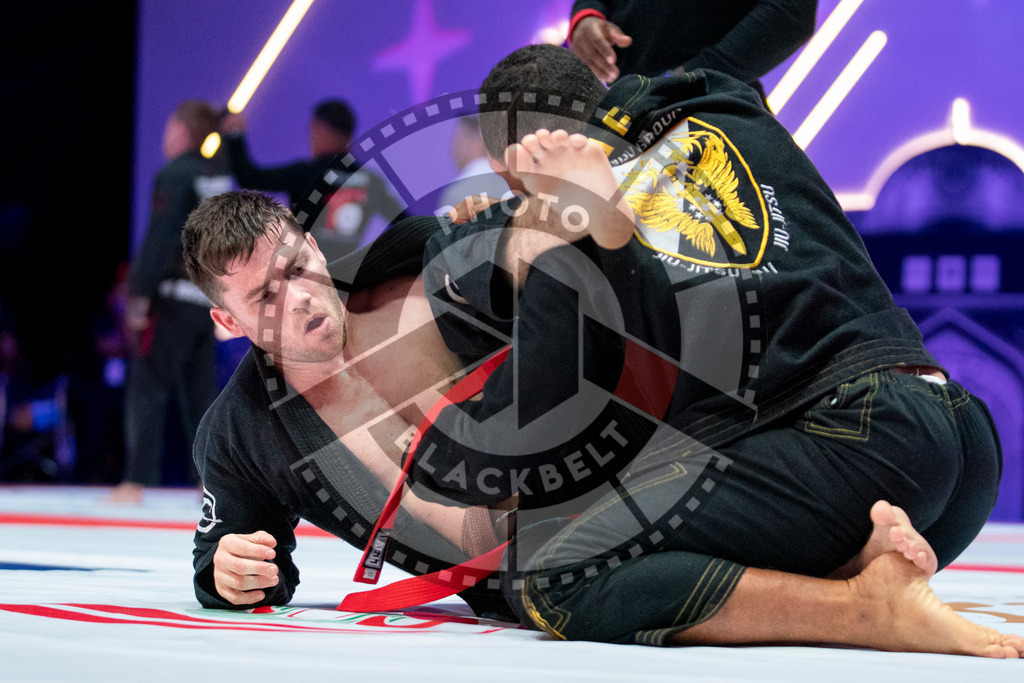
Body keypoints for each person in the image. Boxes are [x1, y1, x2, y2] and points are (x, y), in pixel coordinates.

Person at [182, 48, 1021, 655]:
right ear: (224, 321)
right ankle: (850, 565)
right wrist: (228, 570)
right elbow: (227, 554)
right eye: (263, 297)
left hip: (829, 436)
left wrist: (557, 239)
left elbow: (600, 364)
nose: (297, 296)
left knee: (562, 563)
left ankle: (862, 606)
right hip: (953, 440)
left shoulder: (447, 261)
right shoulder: (720, 99)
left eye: (297, 265)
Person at [109, 100, 233, 503]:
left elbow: (163, 238)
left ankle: (134, 481)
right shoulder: (218, 177)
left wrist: (139, 294)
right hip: (205, 299)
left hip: (172, 300)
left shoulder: (175, 174)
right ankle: (208, 482)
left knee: (148, 386)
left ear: (181, 131)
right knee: (201, 394)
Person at [221, 99, 405, 262]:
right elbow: (406, 223)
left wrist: (235, 135)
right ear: (350, 133)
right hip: (345, 284)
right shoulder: (372, 182)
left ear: (320, 128)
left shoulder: (306, 174)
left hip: (304, 279)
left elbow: (249, 177)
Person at [567, 0, 817, 107]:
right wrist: (588, 13)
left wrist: (693, 78)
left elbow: (791, 14)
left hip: (713, 107)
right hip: (619, 100)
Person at [437, 116, 510, 214]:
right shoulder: (514, 185)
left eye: (457, 140)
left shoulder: (455, 194)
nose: (452, 150)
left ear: (470, 142)